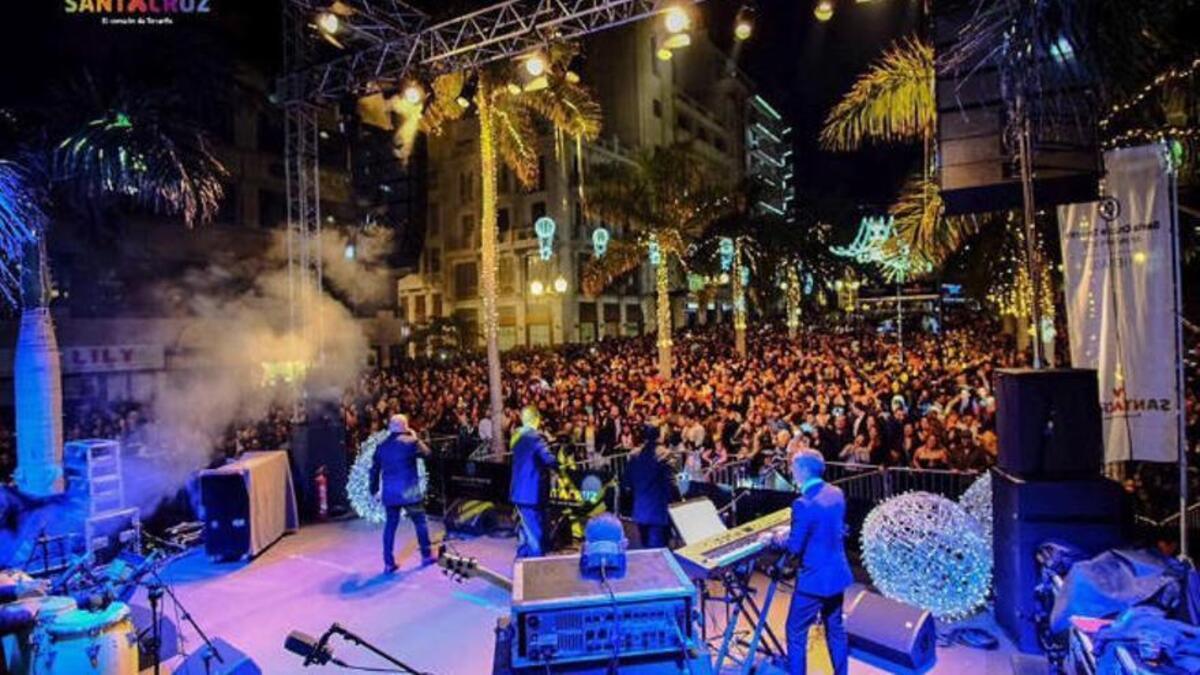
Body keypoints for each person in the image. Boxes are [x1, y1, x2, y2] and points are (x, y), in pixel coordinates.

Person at [765, 448, 853, 675]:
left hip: (814, 580)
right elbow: (828, 528)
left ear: (803, 470)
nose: (791, 471)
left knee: (795, 632)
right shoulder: (836, 493)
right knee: (835, 630)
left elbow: (795, 547)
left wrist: (774, 538)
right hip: (837, 575)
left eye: (793, 467)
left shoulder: (803, 503)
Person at [370, 414, 434, 573]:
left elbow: (374, 471)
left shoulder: (381, 446)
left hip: (390, 493)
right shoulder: (411, 442)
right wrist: (416, 438)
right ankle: (426, 555)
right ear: (405, 426)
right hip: (409, 492)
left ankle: (388, 563)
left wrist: (374, 490)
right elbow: (428, 454)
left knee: (390, 526)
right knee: (420, 522)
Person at [510, 406, 558, 558]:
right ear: (536, 419)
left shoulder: (516, 436)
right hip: (531, 492)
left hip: (518, 490)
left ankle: (522, 560)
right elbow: (549, 459)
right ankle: (535, 565)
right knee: (533, 530)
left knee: (524, 529)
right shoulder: (535, 437)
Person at [624, 423, 676, 548]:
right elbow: (671, 482)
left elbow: (627, 483)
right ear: (659, 436)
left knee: (645, 547)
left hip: (640, 509)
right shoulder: (665, 455)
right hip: (658, 510)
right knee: (657, 552)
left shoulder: (634, 455)